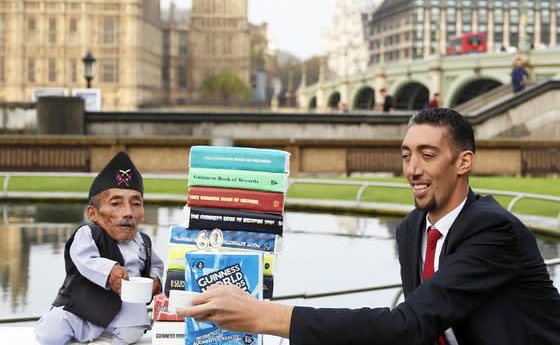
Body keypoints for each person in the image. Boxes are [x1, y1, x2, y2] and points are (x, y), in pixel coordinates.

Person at [178, 108, 560, 344]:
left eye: (427, 155)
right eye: (407, 155)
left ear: (464, 162)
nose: (412, 169)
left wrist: (266, 317)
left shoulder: (494, 230)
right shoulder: (411, 229)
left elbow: (408, 325)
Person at [34, 151, 164, 345]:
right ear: (93, 213)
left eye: (136, 204)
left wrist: (155, 282)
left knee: (133, 330)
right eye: (116, 204)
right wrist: (110, 270)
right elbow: (85, 259)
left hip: (124, 313)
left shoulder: (144, 242)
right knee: (52, 331)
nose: (128, 212)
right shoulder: (87, 234)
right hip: (82, 308)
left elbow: (157, 266)